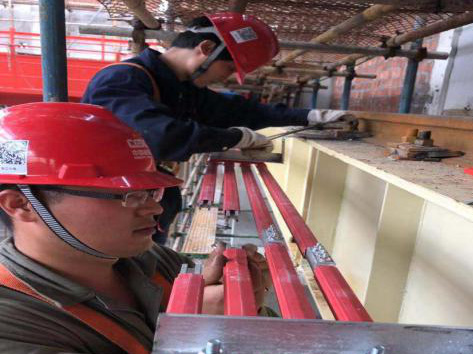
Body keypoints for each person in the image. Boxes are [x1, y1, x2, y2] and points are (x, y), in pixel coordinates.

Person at [0, 102, 265, 354]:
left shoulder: (144, 259)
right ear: (21, 204)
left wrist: (243, 299)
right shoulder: (11, 321)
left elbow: (244, 335)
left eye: (151, 191)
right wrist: (203, 330)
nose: (155, 209)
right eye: (125, 195)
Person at [82, 12, 355, 243]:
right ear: (206, 48)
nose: (228, 77)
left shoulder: (180, 89)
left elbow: (240, 110)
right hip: (104, 205)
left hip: (134, 200)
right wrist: (236, 138)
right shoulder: (122, 79)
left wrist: (311, 116)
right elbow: (160, 136)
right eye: (229, 67)